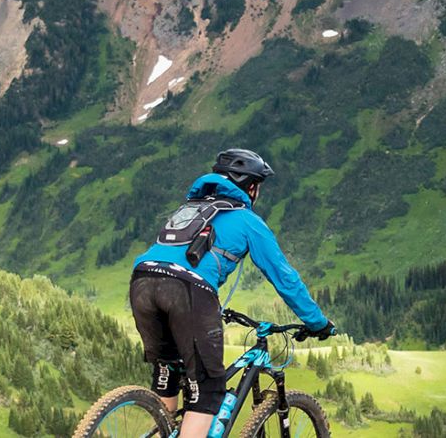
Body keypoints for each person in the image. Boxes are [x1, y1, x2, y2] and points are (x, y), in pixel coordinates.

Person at [129, 149, 335, 437]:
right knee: (208, 393)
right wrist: (317, 323)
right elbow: (285, 279)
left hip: (141, 281)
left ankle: (162, 428)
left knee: (169, 371)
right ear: (251, 187)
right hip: (187, 290)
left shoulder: (188, 210)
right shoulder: (248, 220)